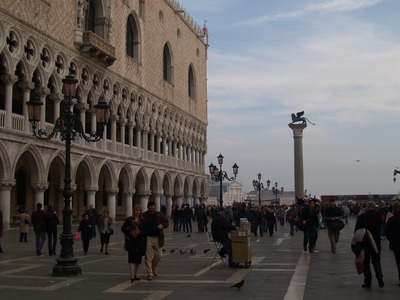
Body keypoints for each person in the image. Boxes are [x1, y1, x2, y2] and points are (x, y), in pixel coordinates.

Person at [355, 201, 384, 289]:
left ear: (367, 207)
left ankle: (368, 281)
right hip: (376, 242)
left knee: (366, 262)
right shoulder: (378, 216)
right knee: (376, 260)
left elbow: (356, 230)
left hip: (365, 242)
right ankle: (379, 275)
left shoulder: (362, 217)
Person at [142, 201, 169, 281]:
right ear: (147, 208)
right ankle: (149, 273)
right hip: (148, 238)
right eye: (150, 208)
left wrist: (162, 225)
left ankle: (153, 267)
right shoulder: (144, 215)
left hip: (158, 237)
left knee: (159, 255)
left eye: (153, 208)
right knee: (148, 257)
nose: (152, 210)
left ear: (155, 207)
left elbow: (166, 222)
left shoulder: (159, 214)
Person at [121, 205, 146, 282]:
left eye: (139, 210)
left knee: (138, 258)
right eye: (136, 210)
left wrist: (140, 231)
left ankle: (136, 274)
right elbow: (123, 229)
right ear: (134, 211)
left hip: (139, 240)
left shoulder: (143, 220)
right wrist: (129, 232)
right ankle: (132, 274)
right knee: (131, 257)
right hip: (131, 240)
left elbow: (145, 230)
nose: (137, 212)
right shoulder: (129, 219)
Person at [384, 201, 400, 286]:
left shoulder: (392, 220)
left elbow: (387, 232)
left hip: (396, 244)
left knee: (398, 261)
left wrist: (392, 239)